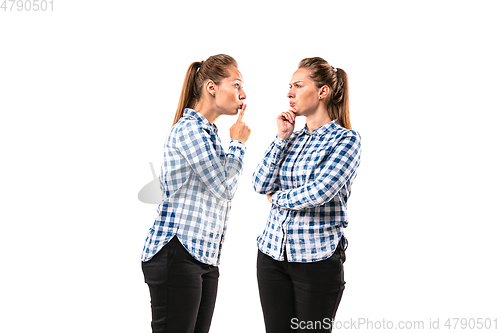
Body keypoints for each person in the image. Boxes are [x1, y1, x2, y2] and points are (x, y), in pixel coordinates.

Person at [141, 54, 251, 333]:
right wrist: (237, 143)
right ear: (211, 87)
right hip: (177, 253)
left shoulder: (210, 134)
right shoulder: (190, 130)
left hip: (204, 257)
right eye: (236, 85)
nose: (243, 94)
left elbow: (221, 186)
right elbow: (225, 188)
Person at [252, 57, 361, 332]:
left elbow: (320, 191)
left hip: (316, 261)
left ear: (323, 91)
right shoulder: (292, 138)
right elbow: (260, 183)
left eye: (298, 86)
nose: (290, 93)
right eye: (290, 86)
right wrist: (281, 138)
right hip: (272, 255)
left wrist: (278, 199)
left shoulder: (346, 140)